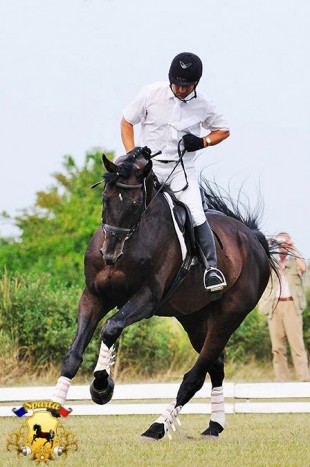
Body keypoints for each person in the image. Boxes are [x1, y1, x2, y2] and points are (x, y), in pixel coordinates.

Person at [120, 52, 230, 293]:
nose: (180, 89)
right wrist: (132, 155)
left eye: (186, 86)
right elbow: (127, 122)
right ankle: (112, 251)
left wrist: (203, 142)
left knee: (196, 212)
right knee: (124, 199)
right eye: (177, 84)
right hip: (149, 167)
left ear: (196, 84)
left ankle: (211, 268)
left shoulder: (205, 104)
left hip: (181, 170)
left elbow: (223, 130)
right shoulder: (151, 93)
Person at [259, 232, 309, 382]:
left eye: (284, 243)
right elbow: (260, 262)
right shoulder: (271, 263)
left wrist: (292, 247)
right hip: (274, 306)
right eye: (279, 243)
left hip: (291, 305)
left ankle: (305, 380)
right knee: (277, 348)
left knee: (297, 345)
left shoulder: (294, 262)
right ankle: (282, 381)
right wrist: (269, 246)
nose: (282, 247)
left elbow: (303, 268)